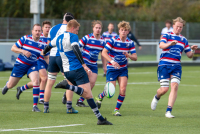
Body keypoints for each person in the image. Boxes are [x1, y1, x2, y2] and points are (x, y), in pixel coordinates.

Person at [43, 19, 112, 125]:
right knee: (88, 94)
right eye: (77, 30)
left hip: (67, 72)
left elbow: (47, 47)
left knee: (86, 94)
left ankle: (100, 118)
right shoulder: (73, 36)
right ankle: (100, 119)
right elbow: (75, 48)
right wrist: (84, 65)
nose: (77, 32)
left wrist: (43, 53)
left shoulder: (58, 38)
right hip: (77, 69)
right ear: (72, 28)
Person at [151, 17, 198, 118]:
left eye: (181, 27)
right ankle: (157, 96)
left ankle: (168, 111)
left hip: (176, 66)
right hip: (164, 64)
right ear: (173, 26)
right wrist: (170, 44)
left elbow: (189, 55)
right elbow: (161, 45)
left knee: (175, 86)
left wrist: (193, 50)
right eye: (177, 26)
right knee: (164, 89)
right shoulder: (166, 35)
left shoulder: (184, 39)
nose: (179, 28)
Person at [2, 24, 47, 112]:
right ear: (32, 31)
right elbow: (13, 48)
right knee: (11, 85)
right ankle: (7, 85)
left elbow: (46, 57)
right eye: (36, 30)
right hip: (20, 65)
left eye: (39, 31)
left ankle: (35, 106)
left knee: (36, 81)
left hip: (32, 65)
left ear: (41, 32)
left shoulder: (43, 44)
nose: (37, 32)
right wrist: (23, 51)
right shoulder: (25, 38)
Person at [95, 21, 137, 116]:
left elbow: (135, 57)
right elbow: (104, 53)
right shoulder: (113, 40)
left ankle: (116, 110)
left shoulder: (130, 42)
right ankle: (100, 96)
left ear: (128, 31)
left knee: (123, 89)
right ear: (119, 31)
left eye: (125, 30)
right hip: (112, 69)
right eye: (122, 30)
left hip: (123, 69)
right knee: (111, 90)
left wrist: (129, 56)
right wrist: (112, 61)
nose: (123, 32)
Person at [43, 12, 78, 114]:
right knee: (70, 81)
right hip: (63, 57)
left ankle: (46, 107)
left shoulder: (53, 28)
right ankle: (69, 107)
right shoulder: (70, 29)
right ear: (71, 21)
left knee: (49, 83)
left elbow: (49, 44)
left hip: (53, 57)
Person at [16, 21, 51, 104]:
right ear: (42, 29)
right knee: (44, 78)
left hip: (46, 60)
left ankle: (21, 88)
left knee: (37, 81)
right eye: (46, 27)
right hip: (39, 61)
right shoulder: (39, 36)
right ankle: (41, 98)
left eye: (49, 27)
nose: (47, 29)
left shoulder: (51, 37)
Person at [76, 20, 106, 107]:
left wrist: (105, 66)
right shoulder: (87, 38)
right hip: (84, 64)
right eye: (96, 28)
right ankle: (68, 91)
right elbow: (77, 47)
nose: (98, 29)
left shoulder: (103, 41)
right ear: (93, 28)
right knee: (81, 82)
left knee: (92, 83)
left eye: (99, 28)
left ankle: (80, 101)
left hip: (93, 65)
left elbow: (103, 54)